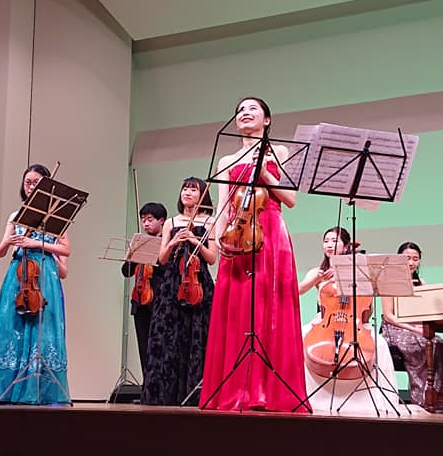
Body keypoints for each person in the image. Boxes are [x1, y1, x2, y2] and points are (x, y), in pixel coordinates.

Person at [201, 97, 309, 413]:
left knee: (270, 306)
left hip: (271, 234)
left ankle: (269, 391)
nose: (245, 113)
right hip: (237, 234)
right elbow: (223, 205)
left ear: (267, 120)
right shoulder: (226, 160)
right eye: (240, 110)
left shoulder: (280, 152)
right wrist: (220, 239)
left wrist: (265, 173)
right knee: (238, 310)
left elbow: (291, 199)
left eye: (253, 109)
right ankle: (238, 389)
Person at [0, 164, 71, 404]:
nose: (31, 186)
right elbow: (0, 251)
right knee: (12, 327)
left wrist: (36, 243)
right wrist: (10, 240)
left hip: (45, 274)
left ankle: (40, 390)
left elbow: (66, 250)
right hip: (19, 275)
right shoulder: (15, 215)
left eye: (36, 182)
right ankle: (8, 389)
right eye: (27, 182)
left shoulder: (55, 217)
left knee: (43, 330)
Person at [297, 227, 401, 414]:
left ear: (346, 246)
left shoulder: (358, 272)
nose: (329, 245)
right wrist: (315, 280)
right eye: (326, 241)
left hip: (354, 322)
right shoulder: (317, 271)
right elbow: (298, 291)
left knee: (380, 344)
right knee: (300, 337)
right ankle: (304, 394)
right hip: (324, 321)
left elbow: (367, 308)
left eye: (334, 241)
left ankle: (376, 399)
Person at [142, 180, 215, 406]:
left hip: (198, 283)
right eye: (185, 188)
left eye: (193, 189)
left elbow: (212, 258)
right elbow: (162, 258)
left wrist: (194, 241)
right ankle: (164, 395)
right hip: (172, 284)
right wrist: (173, 242)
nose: (187, 192)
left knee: (196, 337)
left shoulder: (210, 221)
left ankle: (193, 394)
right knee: (168, 338)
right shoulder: (171, 222)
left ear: (202, 195)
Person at [380, 241, 443, 412]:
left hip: (418, 327)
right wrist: (414, 329)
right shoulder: (389, 282)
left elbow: (426, 312)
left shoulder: (421, 283)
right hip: (395, 329)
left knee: (441, 344)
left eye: (415, 259)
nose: (411, 262)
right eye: (407, 258)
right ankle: (424, 399)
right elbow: (389, 316)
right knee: (421, 346)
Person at [121, 202, 167, 373]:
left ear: (161, 221)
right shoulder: (139, 243)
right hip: (140, 300)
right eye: (143, 220)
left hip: (159, 300)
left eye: (150, 219)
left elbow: (167, 270)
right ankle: (146, 382)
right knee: (143, 345)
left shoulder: (166, 243)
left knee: (160, 346)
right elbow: (126, 272)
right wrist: (133, 256)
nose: (146, 223)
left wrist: (153, 258)